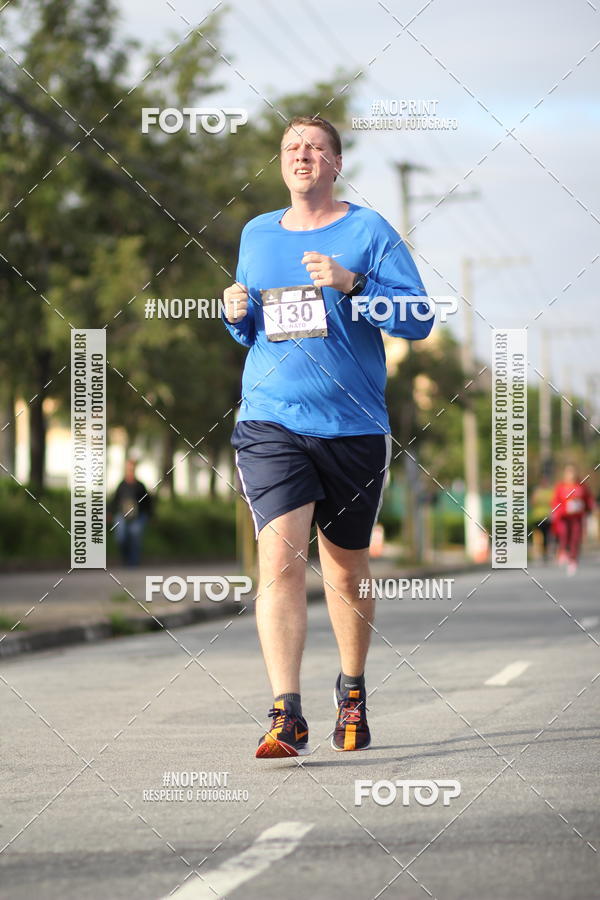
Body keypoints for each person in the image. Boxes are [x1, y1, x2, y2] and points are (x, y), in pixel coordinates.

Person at [222, 115, 433, 759]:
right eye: (291, 148)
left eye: (315, 147)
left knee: (344, 565)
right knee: (280, 558)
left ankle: (353, 693)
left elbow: (419, 318)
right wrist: (236, 313)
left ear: (336, 163)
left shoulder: (368, 231)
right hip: (270, 420)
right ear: (281, 164)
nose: (302, 155)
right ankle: (286, 712)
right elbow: (254, 325)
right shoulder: (256, 233)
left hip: (352, 424)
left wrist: (355, 284)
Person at [550, 463, 593, 575]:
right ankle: (563, 552)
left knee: (576, 537)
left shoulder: (581, 486)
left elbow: (588, 499)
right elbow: (555, 500)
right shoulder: (561, 487)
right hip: (563, 517)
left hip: (577, 517)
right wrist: (556, 511)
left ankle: (573, 560)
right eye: (568, 472)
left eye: (572, 472)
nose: (571, 475)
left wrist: (590, 508)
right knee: (563, 534)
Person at [109, 458, 153, 567]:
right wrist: (109, 512)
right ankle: (125, 558)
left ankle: (133, 562)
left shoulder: (140, 486)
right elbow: (115, 500)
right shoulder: (121, 485)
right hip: (122, 515)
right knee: (121, 536)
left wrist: (150, 516)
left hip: (138, 516)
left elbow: (148, 503)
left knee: (135, 533)